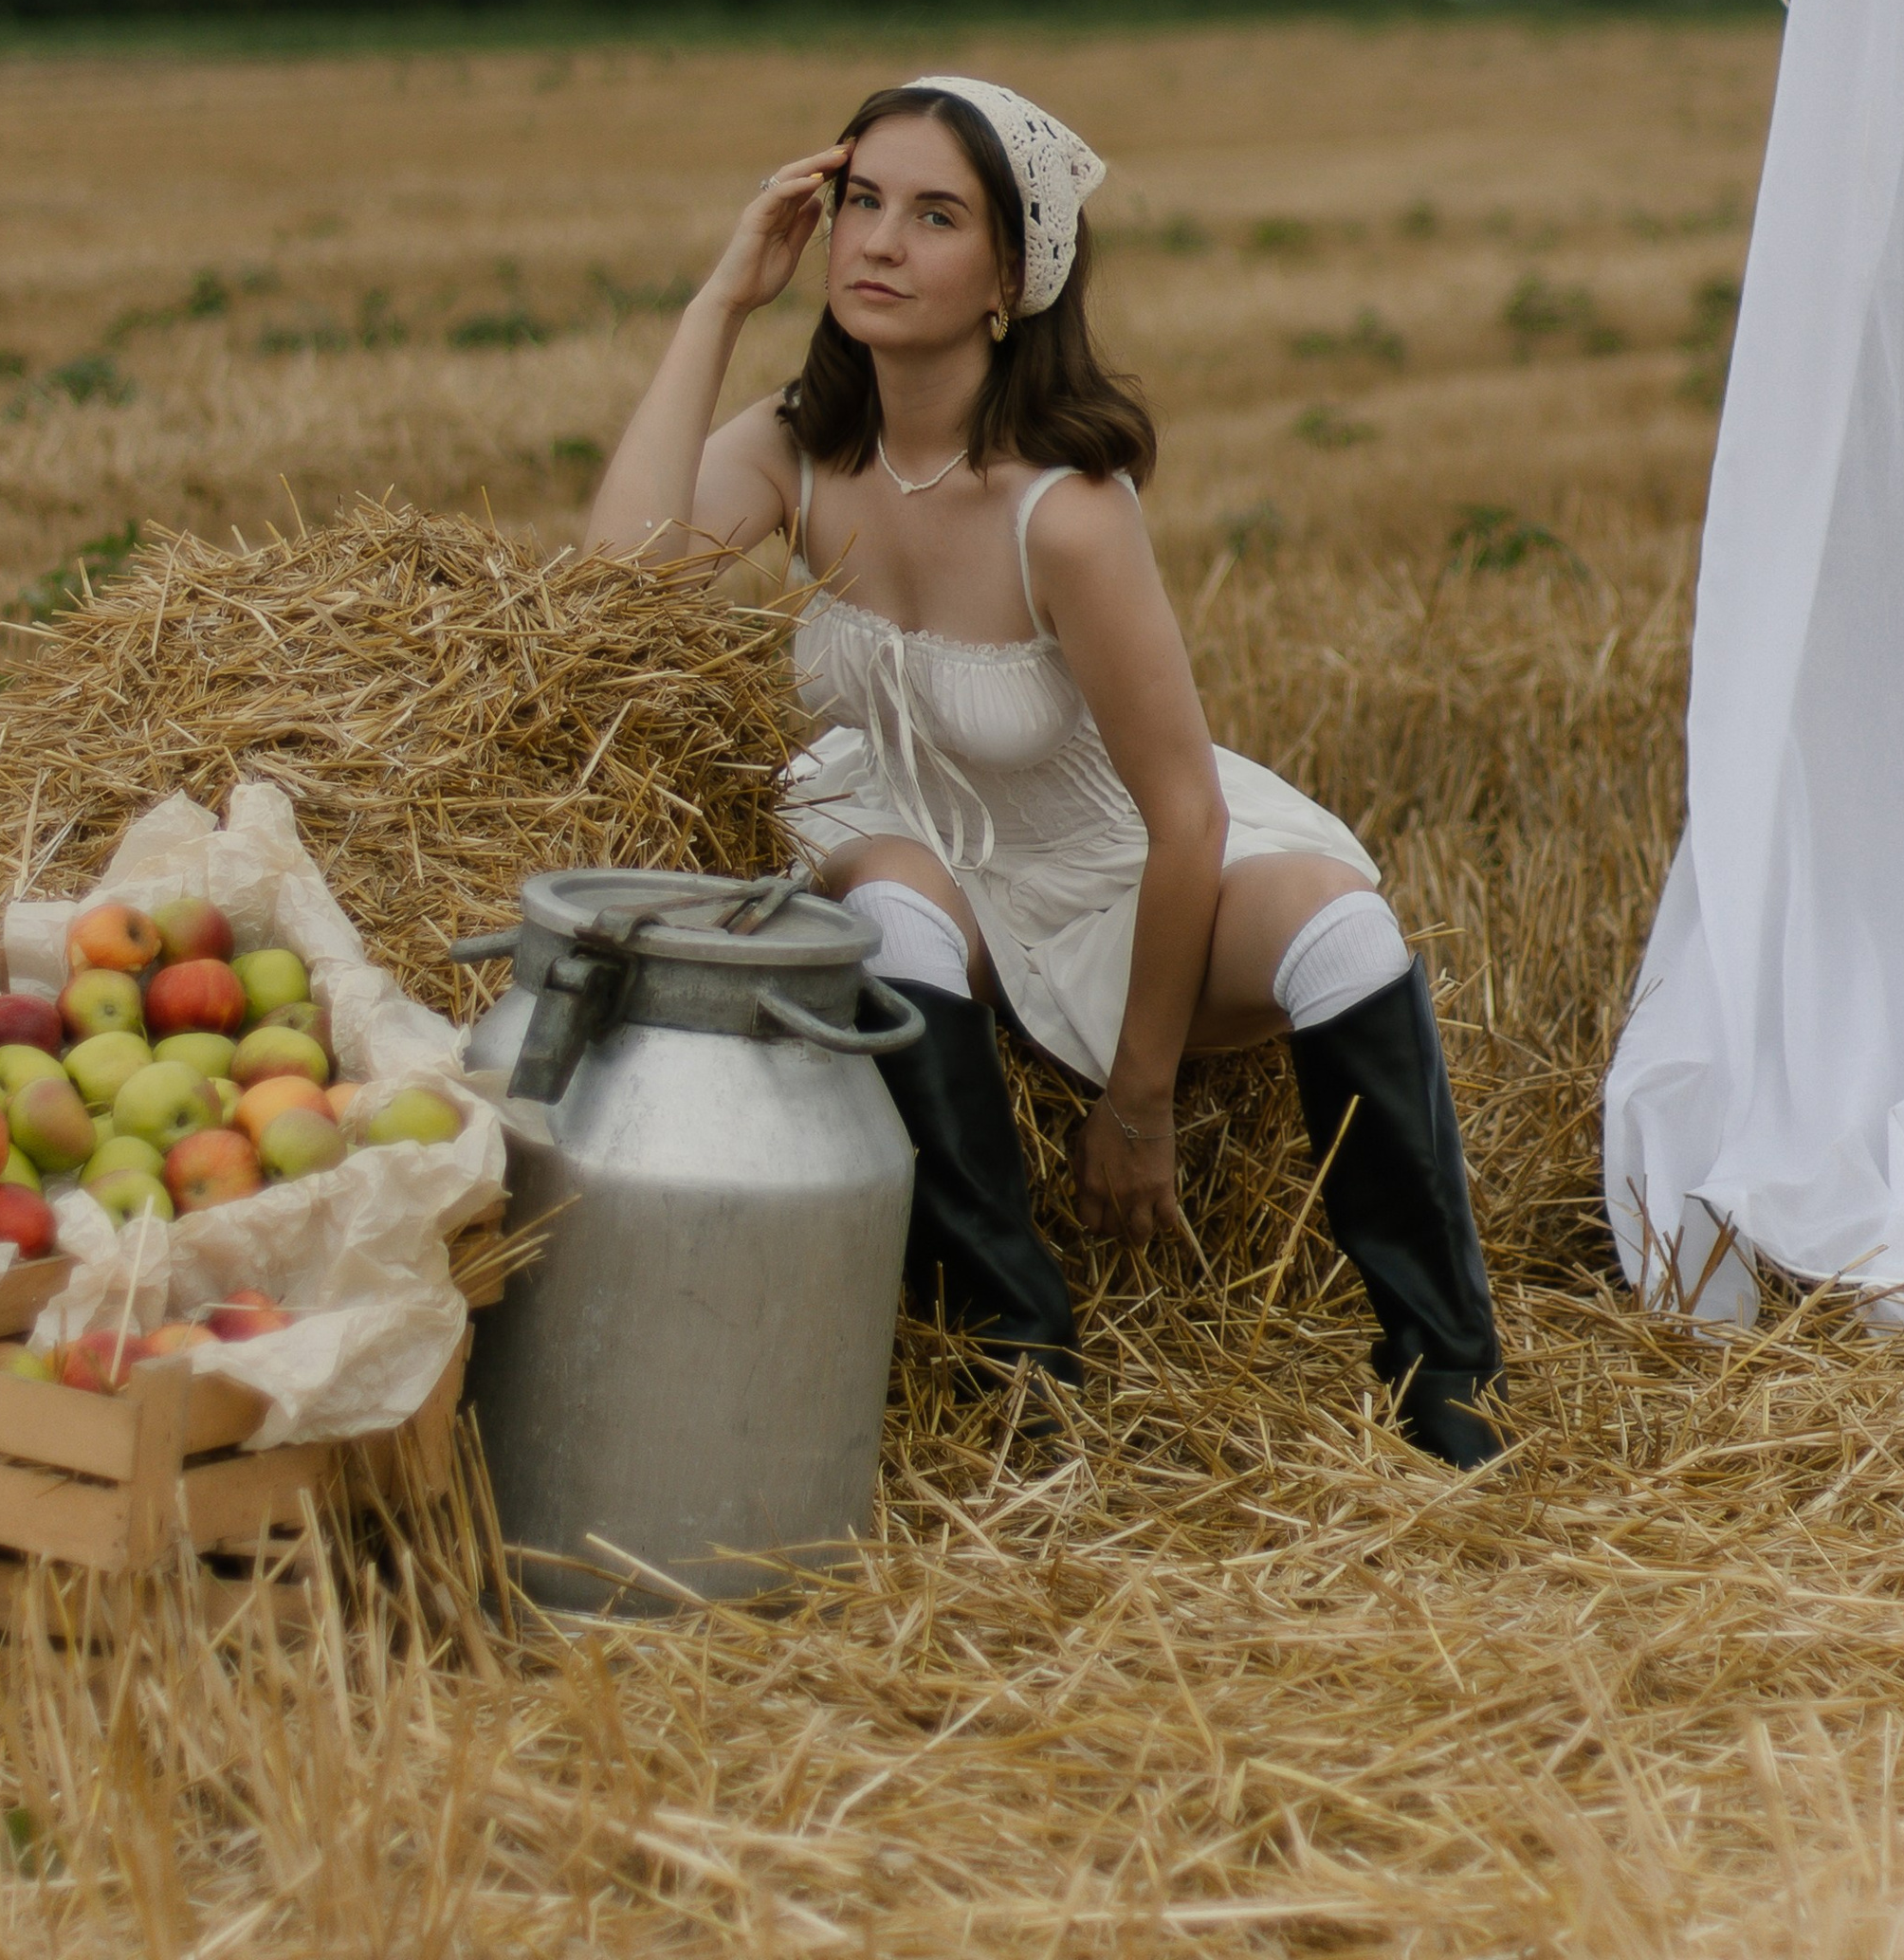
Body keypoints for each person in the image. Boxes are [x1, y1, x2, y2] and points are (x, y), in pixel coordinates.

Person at [585, 72, 1504, 1465]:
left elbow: (1183, 812)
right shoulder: (800, 446)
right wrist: (721, 301)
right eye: (861, 203)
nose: (880, 243)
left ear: (1013, 275)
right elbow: (612, 590)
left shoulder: (1064, 512)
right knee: (889, 887)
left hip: (1104, 864)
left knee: (1345, 931)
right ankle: (1022, 1364)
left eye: (935, 215)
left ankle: (1447, 1381)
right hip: (909, 845)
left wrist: (1138, 1106)